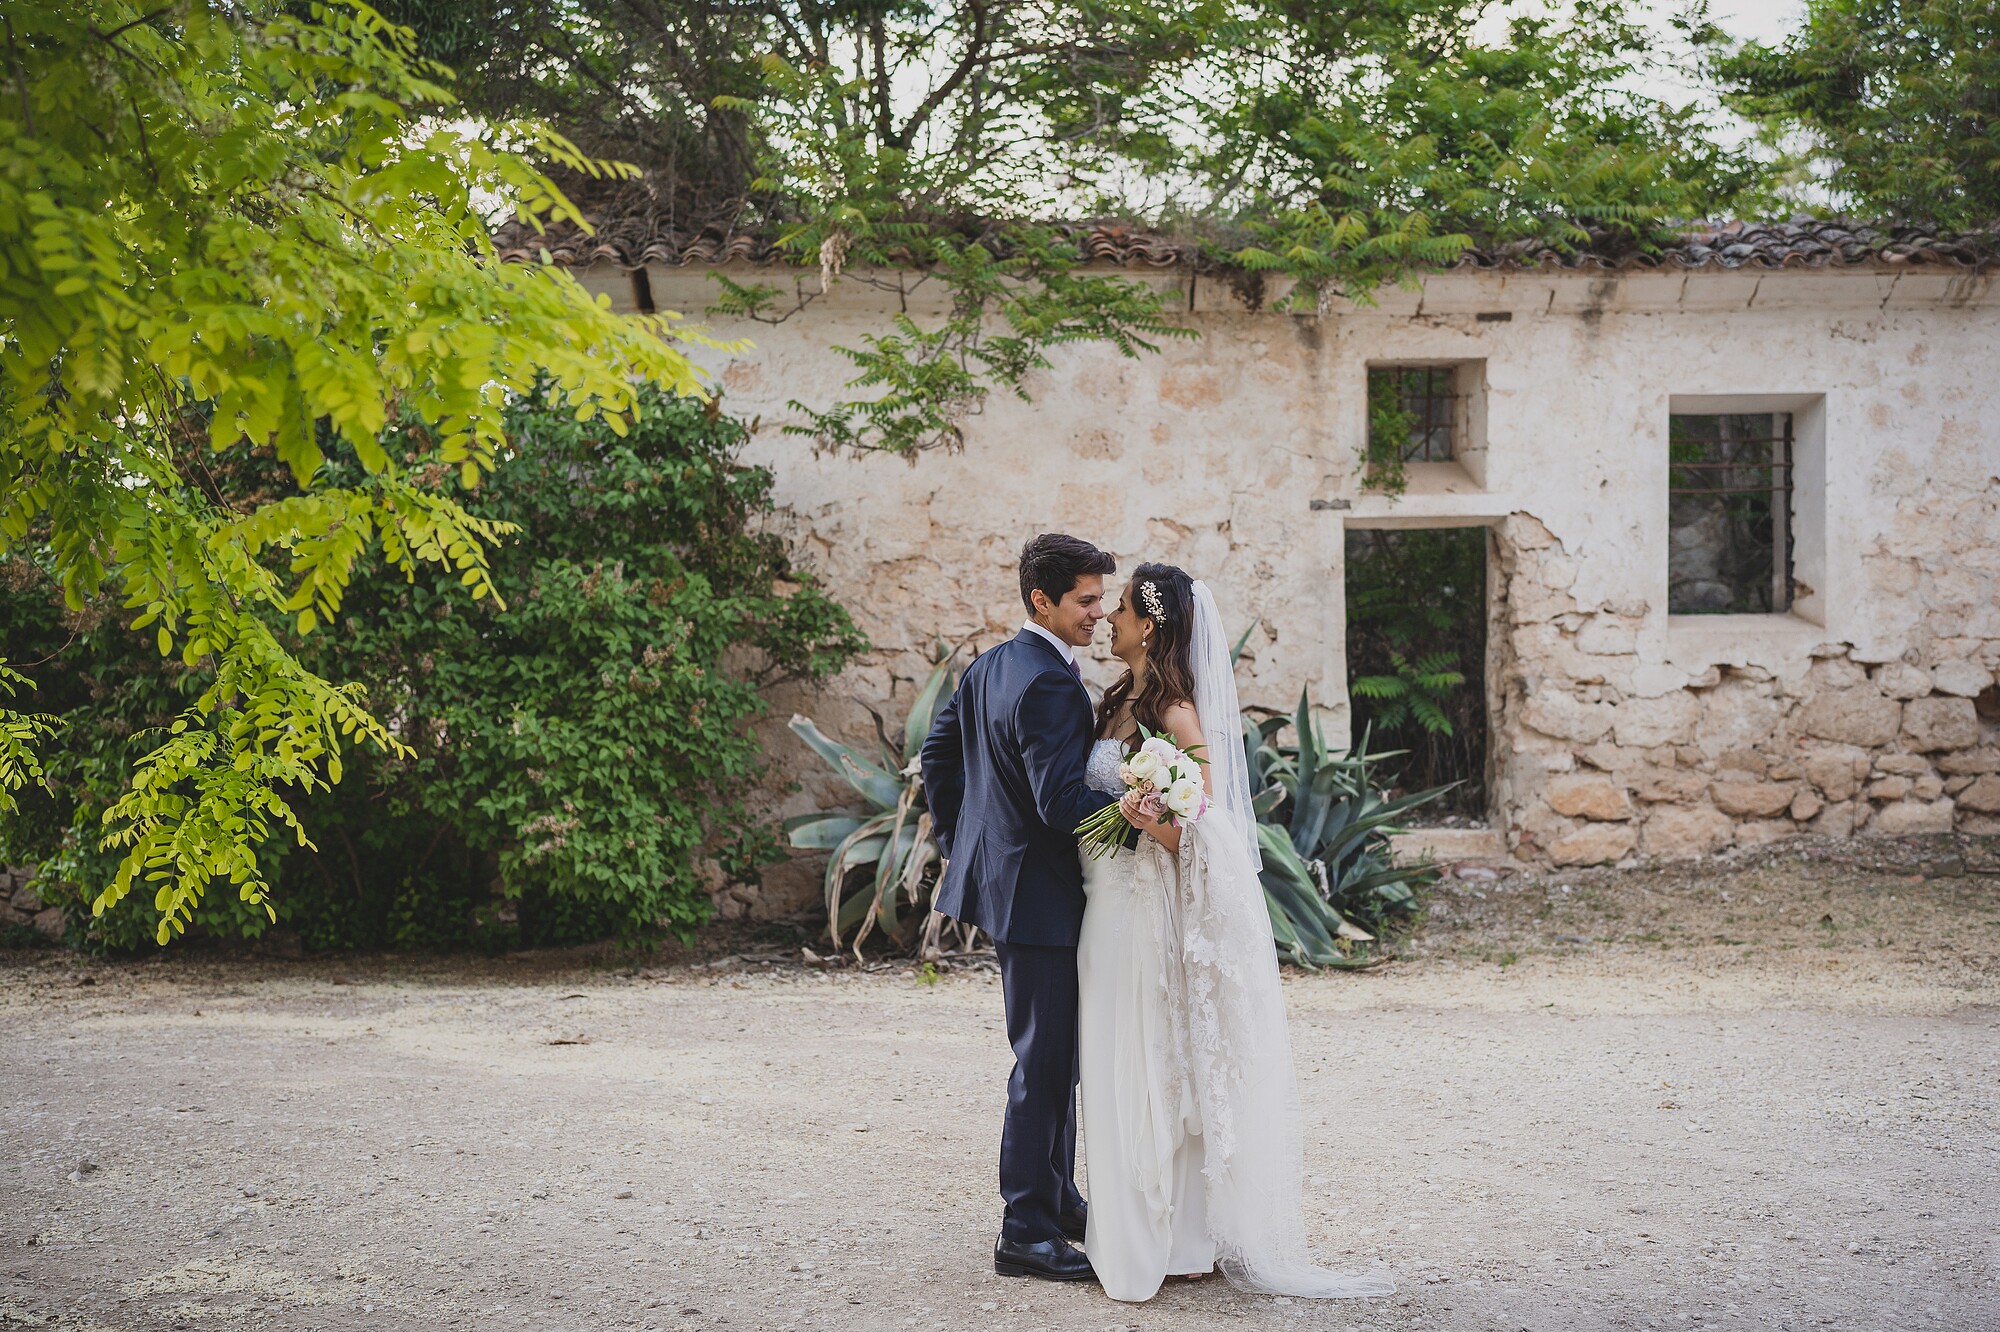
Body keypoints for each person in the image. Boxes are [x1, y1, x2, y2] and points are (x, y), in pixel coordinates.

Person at [1076, 562, 1396, 1303]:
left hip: (1143, 914)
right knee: (1117, 1059)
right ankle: (1129, 1225)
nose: (1109, 620)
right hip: (1106, 902)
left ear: (1148, 626)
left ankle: (1176, 1237)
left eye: (1120, 609)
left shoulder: (1178, 712)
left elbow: (1206, 834)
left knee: (1154, 1062)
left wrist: (1148, 819)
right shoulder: (1121, 698)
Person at [919, 532, 1122, 1282]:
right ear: (1043, 599)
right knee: (1042, 1063)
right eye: (1086, 600)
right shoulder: (1049, 683)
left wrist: (964, 840)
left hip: (1009, 885)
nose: (1098, 613)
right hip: (1040, 899)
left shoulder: (991, 665)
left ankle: (1061, 1197)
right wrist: (1136, 809)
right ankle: (1025, 1230)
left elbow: (939, 757)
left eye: (1102, 598)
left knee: (1056, 1055)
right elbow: (1060, 803)